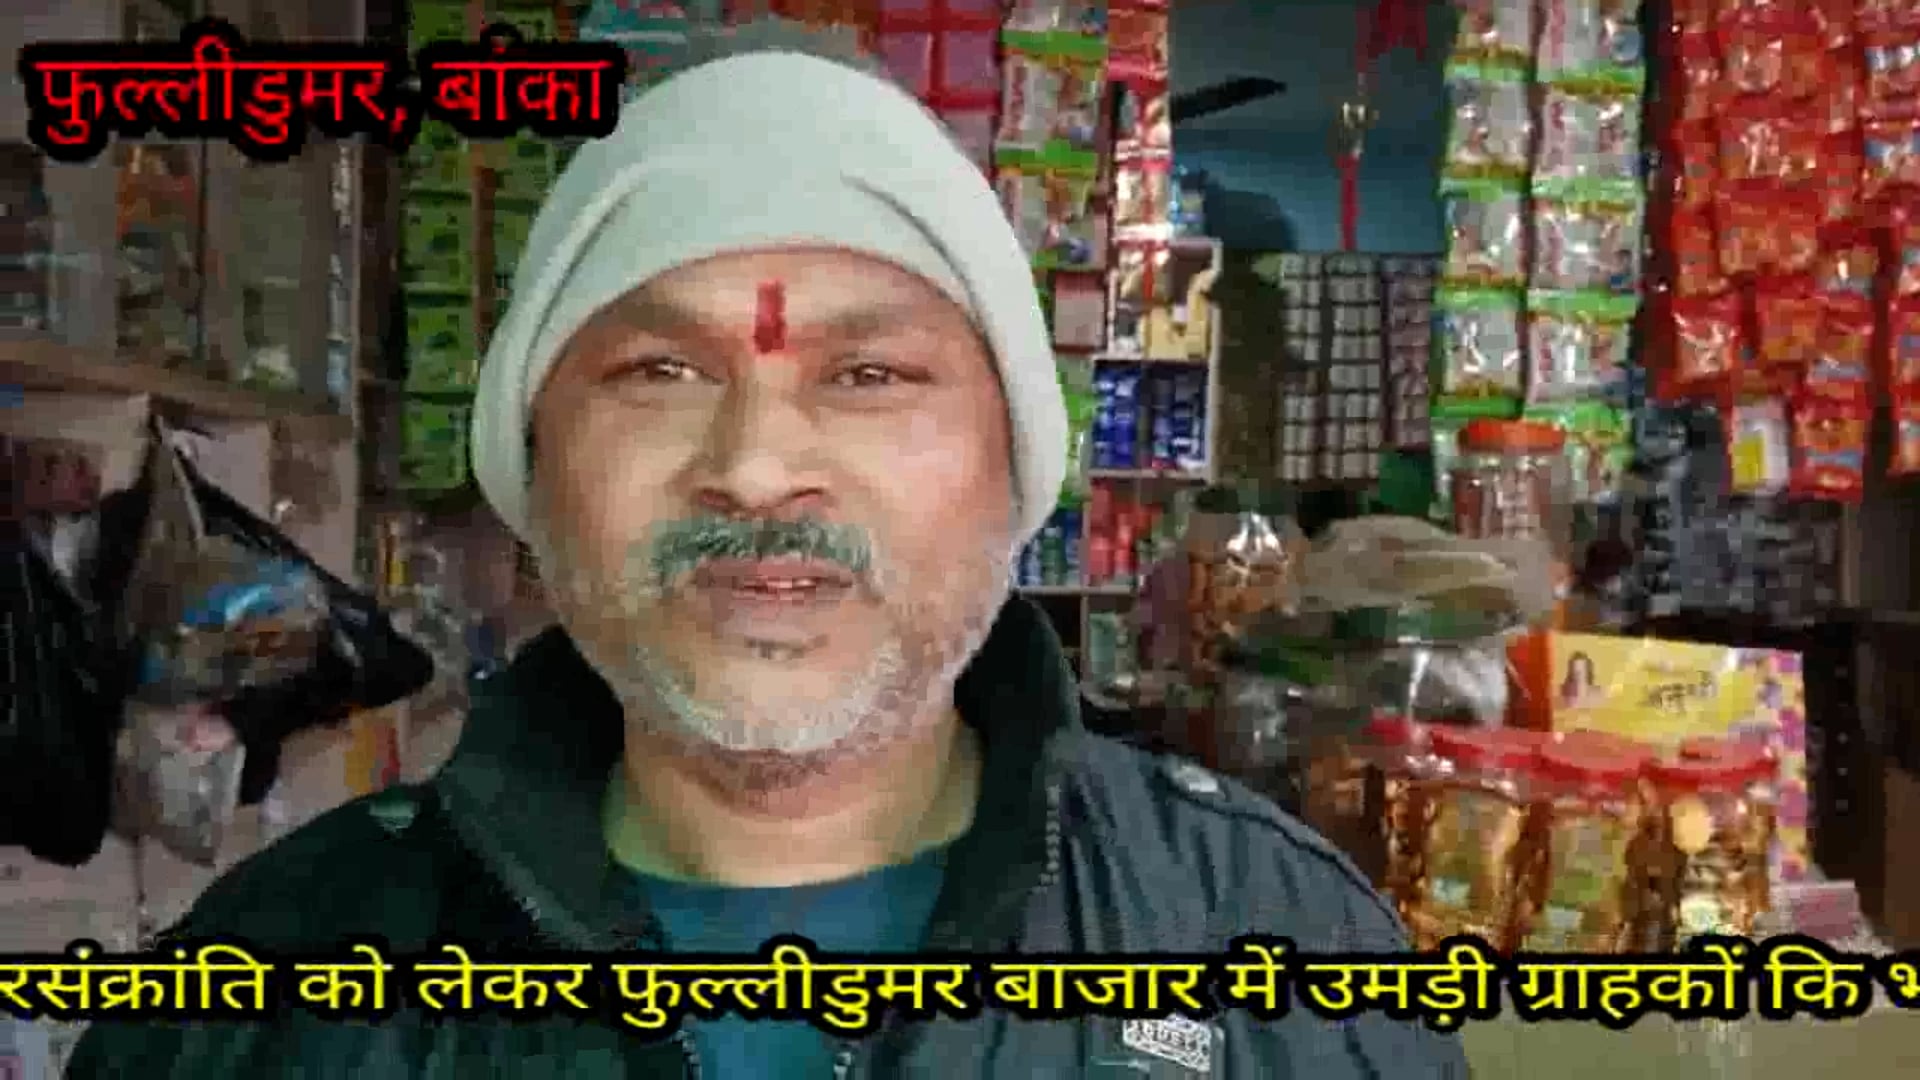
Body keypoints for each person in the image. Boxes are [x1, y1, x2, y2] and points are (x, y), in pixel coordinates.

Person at [70, 24, 1469, 1079]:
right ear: (535, 469)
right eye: (658, 372)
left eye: (870, 376)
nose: (753, 465)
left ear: (1013, 467)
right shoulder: (263, 997)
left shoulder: (1279, 957)